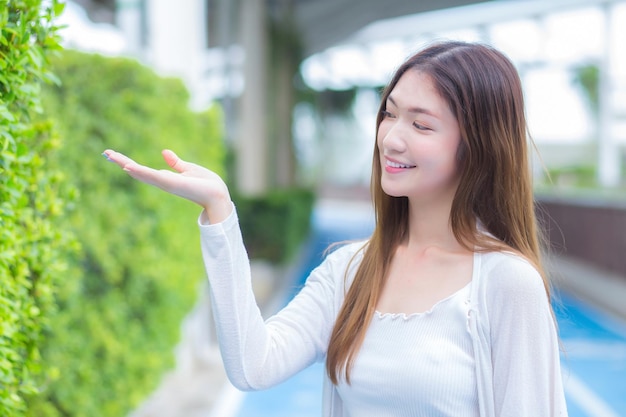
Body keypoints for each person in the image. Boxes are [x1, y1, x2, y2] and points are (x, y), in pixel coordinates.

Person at [103, 40, 568, 417]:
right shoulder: (350, 270)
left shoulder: (506, 283)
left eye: (421, 125)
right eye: (389, 113)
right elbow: (253, 365)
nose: (391, 137)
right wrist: (220, 214)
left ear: (477, 147)